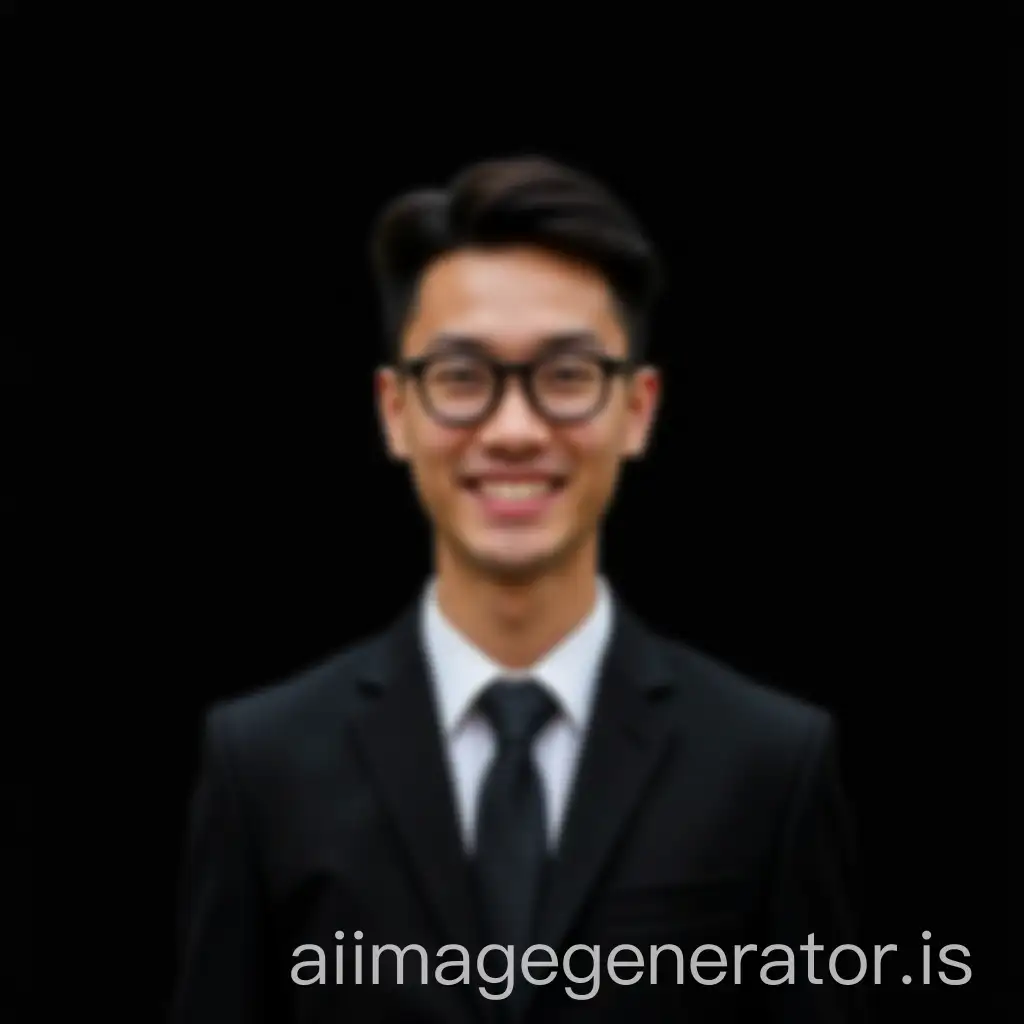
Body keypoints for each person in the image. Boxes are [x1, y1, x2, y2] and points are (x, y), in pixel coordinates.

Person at [169, 155, 866, 1023]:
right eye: (461, 378)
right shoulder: (264, 765)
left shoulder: (768, 765)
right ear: (395, 411)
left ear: (638, 409)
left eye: (567, 376)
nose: (512, 430)